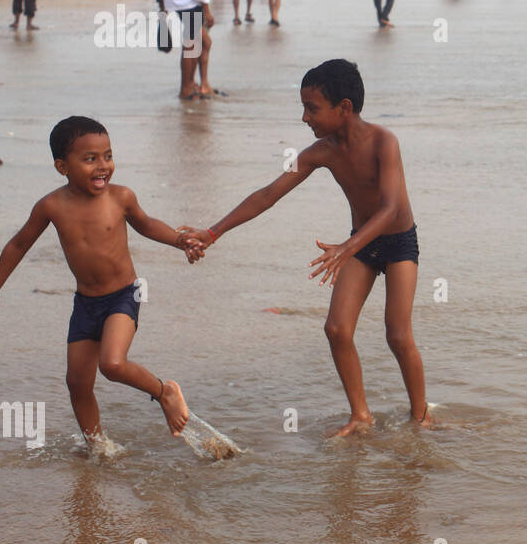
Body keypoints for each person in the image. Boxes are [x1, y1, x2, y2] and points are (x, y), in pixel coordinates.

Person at [181, 59, 433, 433]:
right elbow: (268, 195)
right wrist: (213, 232)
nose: (304, 118)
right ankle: (361, 415)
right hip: (357, 245)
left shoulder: (384, 142)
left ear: (344, 107)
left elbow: (391, 207)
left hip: (396, 242)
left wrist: (346, 248)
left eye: (312, 108)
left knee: (397, 333)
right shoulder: (322, 151)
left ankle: (422, 418)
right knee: (336, 329)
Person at [0, 116, 200, 449]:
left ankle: (164, 391)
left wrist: (180, 241)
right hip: (86, 303)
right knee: (77, 383)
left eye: (107, 156)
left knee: (112, 363)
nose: (103, 166)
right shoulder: (51, 206)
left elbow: (148, 224)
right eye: (90, 159)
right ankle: (98, 447)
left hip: (124, 296)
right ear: (62, 166)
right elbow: (19, 244)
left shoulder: (121, 197)